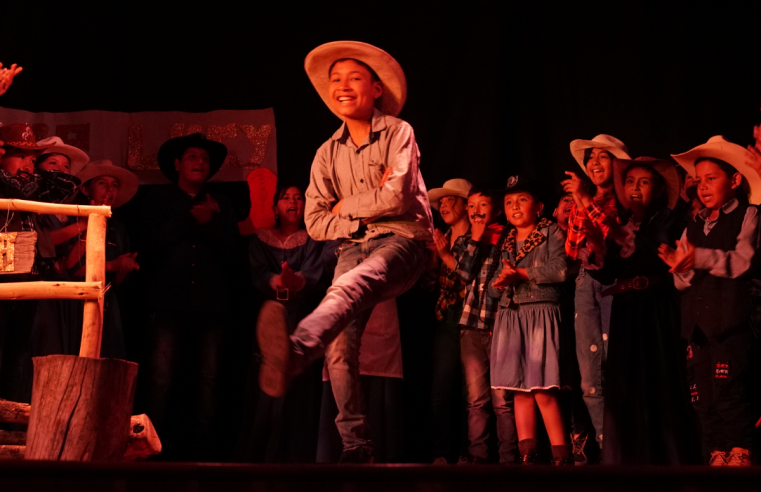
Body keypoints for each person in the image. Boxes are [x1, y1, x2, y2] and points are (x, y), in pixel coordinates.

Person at [256, 41, 433, 463]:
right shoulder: (325, 153)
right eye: (336, 80)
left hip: (404, 239)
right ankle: (356, 446)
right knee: (337, 345)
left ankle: (296, 351)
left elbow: (397, 198)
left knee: (352, 283)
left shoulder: (398, 132)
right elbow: (316, 223)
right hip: (354, 245)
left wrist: (344, 204)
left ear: (375, 89)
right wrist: (355, 216)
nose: (343, 86)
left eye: (354, 78)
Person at [661, 136, 761, 467]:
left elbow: (744, 260)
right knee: (701, 396)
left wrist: (699, 259)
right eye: (699, 180)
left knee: (729, 391)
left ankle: (741, 451)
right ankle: (717, 451)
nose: (702, 187)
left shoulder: (748, 215)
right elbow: (681, 280)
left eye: (711, 178)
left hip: (731, 321)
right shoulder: (694, 223)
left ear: (734, 180)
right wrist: (680, 266)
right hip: (698, 326)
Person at [141, 132, 239, 461]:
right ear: (177, 164)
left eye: (205, 159)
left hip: (210, 307)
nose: (200, 162)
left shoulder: (221, 202)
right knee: (160, 380)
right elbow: (148, 247)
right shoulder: (157, 200)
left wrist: (212, 222)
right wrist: (189, 218)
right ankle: (150, 455)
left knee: (209, 382)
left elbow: (234, 254)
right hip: (167, 304)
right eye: (194, 156)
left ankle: (204, 458)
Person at [593, 157, 691, 465]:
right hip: (625, 312)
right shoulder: (622, 224)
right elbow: (608, 273)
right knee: (625, 385)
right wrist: (597, 250)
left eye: (644, 182)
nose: (635, 187)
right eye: (630, 181)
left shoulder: (668, 220)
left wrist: (627, 238)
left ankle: (666, 460)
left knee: (658, 380)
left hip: (656, 310)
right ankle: (626, 462)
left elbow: (661, 252)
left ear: (659, 189)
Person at [239, 184, 329, 463]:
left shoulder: (313, 240)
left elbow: (315, 273)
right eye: (286, 198)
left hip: (301, 317)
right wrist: (275, 281)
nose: (293, 202)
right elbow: (257, 273)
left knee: (297, 390)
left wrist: (296, 281)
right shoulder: (261, 240)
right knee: (266, 387)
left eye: (298, 198)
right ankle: (259, 460)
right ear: (276, 206)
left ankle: (294, 461)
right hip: (269, 317)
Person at [488, 177, 570, 465]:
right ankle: (528, 457)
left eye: (521, 199)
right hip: (511, 315)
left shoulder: (551, 232)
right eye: (509, 202)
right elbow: (492, 286)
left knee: (541, 389)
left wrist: (521, 274)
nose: (514, 206)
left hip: (539, 312)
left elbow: (560, 270)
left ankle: (561, 457)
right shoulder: (506, 240)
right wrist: (499, 282)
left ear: (539, 207)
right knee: (519, 389)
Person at [560, 134, 630, 461]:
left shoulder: (627, 199)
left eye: (603, 157)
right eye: (591, 158)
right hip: (585, 281)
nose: (595, 163)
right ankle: (607, 450)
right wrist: (581, 203)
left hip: (614, 280)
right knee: (589, 375)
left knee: (615, 366)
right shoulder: (582, 199)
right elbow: (573, 249)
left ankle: (626, 450)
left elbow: (615, 241)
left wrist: (586, 202)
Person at [0, 124, 79, 403]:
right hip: (4, 259)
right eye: (20, 156)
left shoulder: (32, 186)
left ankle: (8, 415)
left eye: (32, 159)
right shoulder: (10, 182)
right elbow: (13, 188)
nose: (27, 165)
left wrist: (30, 170)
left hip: (23, 261)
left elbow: (68, 184)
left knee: (18, 347)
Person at [452, 186, 518, 464]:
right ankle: (478, 455)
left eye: (483, 205)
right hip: (470, 325)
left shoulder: (507, 237)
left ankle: (509, 457)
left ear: (497, 210)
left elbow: (506, 280)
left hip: (499, 324)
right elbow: (464, 273)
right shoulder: (465, 240)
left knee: (503, 399)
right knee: (476, 399)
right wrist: (476, 240)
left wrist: (486, 239)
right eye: (471, 206)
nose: (476, 211)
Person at [63, 160, 140, 359]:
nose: (109, 189)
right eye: (102, 183)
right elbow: (70, 268)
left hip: (107, 303)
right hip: (74, 304)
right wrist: (113, 264)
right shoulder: (71, 220)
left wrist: (122, 268)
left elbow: (119, 283)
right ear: (86, 190)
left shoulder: (118, 228)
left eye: (114, 185)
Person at [428, 178, 472, 464]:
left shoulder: (480, 237)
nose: (443, 205)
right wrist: (434, 258)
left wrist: (444, 255)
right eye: (441, 202)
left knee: (472, 392)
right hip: (445, 318)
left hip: (471, 318)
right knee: (441, 389)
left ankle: (472, 453)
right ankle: (442, 454)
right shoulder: (442, 236)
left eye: (450, 200)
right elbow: (430, 283)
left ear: (467, 205)